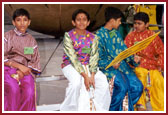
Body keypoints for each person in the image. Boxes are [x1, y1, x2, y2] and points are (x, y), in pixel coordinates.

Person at [60, 9, 111, 111]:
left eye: (84, 20)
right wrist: (85, 76)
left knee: (103, 83)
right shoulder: (68, 36)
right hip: (70, 65)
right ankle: (70, 109)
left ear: (88, 22)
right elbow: (73, 58)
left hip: (89, 65)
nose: (81, 22)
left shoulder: (93, 37)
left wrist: (92, 75)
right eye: (78, 20)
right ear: (73, 22)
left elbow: (94, 56)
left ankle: (98, 109)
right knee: (76, 83)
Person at [96, 7, 143, 111]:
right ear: (112, 20)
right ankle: (111, 110)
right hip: (109, 69)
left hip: (123, 67)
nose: (120, 23)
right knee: (122, 88)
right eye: (119, 21)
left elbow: (124, 50)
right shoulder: (99, 36)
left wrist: (133, 58)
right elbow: (98, 60)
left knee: (138, 87)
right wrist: (111, 64)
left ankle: (123, 109)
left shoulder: (115, 33)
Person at [124, 12, 164, 111]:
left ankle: (161, 109)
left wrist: (160, 65)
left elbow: (162, 52)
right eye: (135, 23)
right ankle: (140, 106)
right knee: (140, 75)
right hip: (137, 65)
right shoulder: (130, 37)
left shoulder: (153, 36)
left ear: (147, 24)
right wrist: (133, 58)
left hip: (152, 66)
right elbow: (125, 52)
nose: (136, 26)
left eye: (139, 23)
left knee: (159, 81)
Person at [4, 8, 41, 111]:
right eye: (18, 20)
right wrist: (18, 66)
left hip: (26, 71)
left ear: (29, 22)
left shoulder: (31, 40)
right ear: (13, 22)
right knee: (13, 89)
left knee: (29, 92)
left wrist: (22, 72)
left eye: (25, 20)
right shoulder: (7, 37)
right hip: (7, 68)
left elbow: (34, 61)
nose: (22, 23)